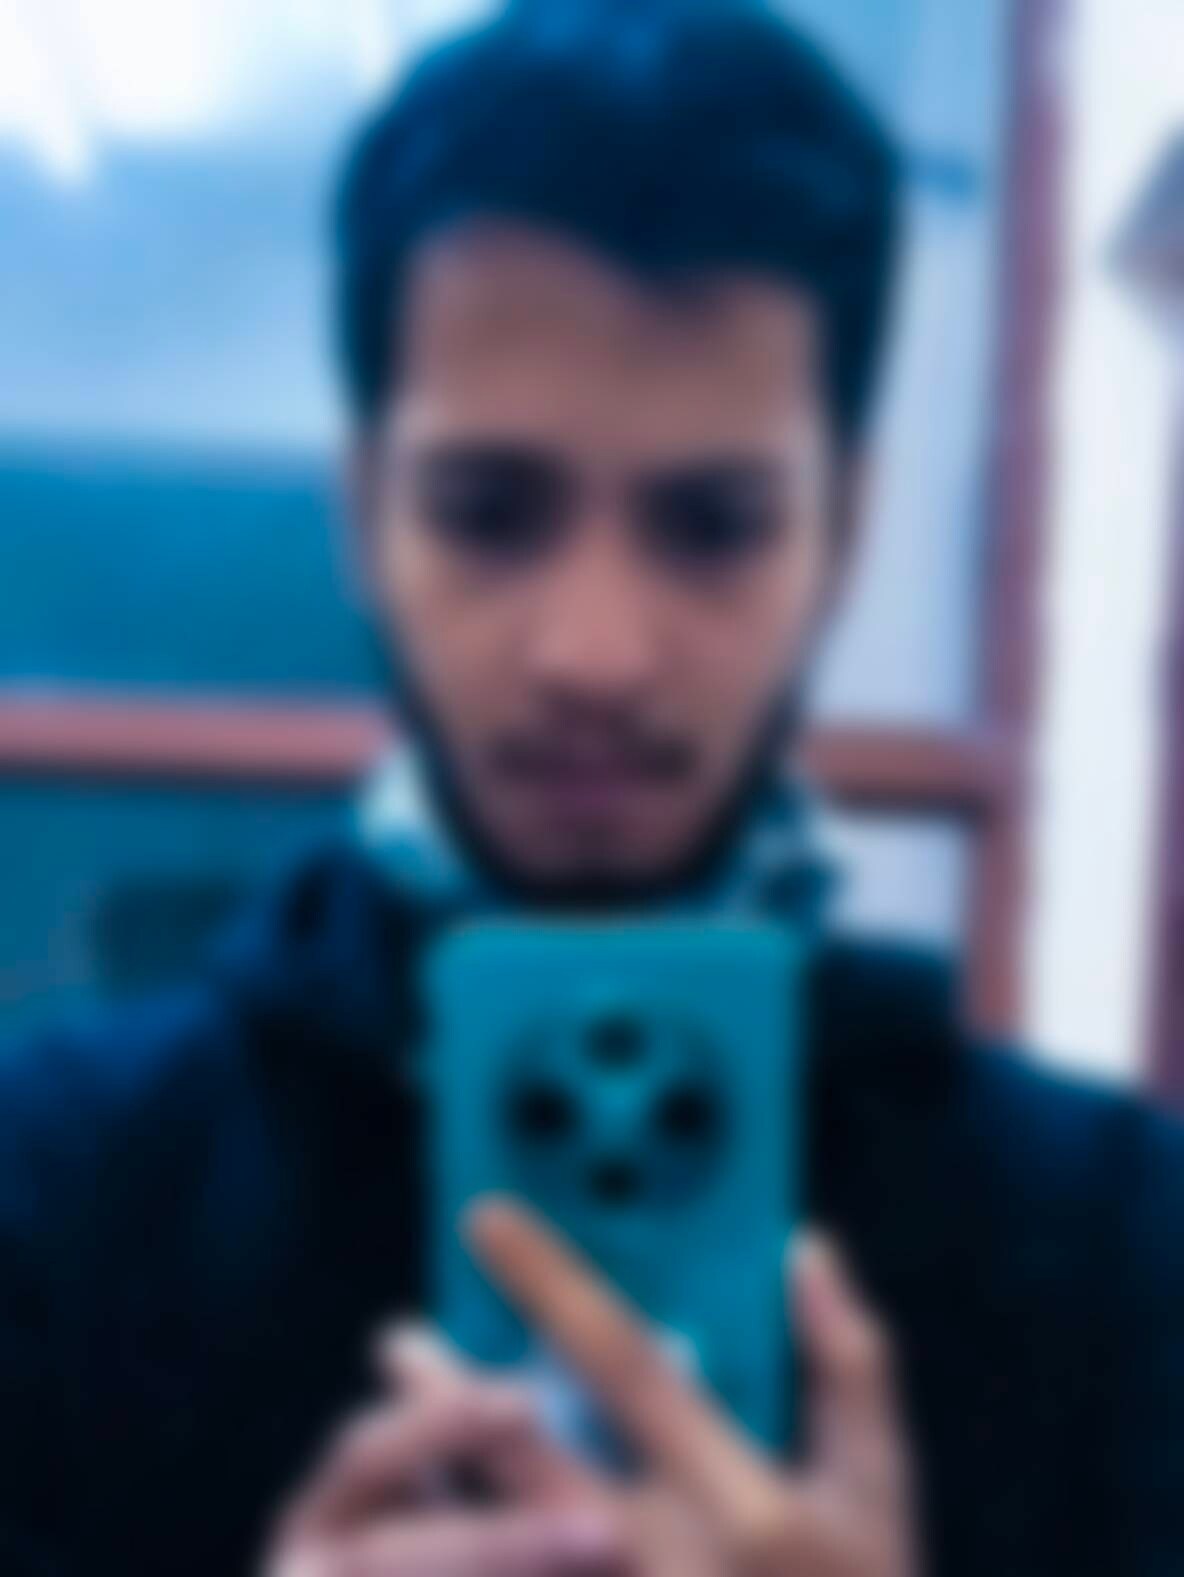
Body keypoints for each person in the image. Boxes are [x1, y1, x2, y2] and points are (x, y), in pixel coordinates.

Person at [2, 2, 1182, 1573]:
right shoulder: (54, 1194)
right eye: (491, 512)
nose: (594, 651)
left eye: (712, 524)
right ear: (362, 517)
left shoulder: (1116, 1239)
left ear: (843, 532)